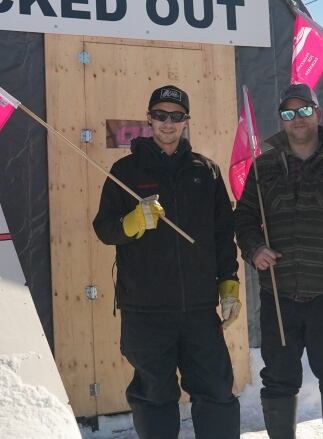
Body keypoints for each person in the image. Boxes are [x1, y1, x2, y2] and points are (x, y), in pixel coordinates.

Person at [93, 85, 241, 439]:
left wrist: (229, 283)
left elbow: (223, 233)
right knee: (154, 396)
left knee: (217, 392)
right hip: (145, 311)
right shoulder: (125, 170)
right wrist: (132, 222)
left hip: (199, 309)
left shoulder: (205, 172)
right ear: (149, 119)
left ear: (186, 121)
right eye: (160, 115)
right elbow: (104, 228)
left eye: (176, 116)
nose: (168, 123)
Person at [234, 83, 323, 439]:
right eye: (288, 114)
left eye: (303, 110)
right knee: (277, 377)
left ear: (318, 113)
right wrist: (255, 247)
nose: (297, 119)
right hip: (280, 292)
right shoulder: (265, 166)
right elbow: (243, 217)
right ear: (282, 120)